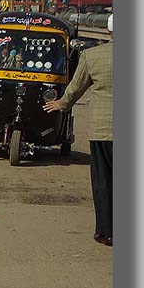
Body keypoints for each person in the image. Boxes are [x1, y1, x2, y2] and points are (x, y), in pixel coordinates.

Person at [43, 14, 113, 247]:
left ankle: (106, 231)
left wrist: (61, 104)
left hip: (102, 130)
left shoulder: (93, 56)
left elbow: (76, 87)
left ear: (108, 32)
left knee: (103, 181)